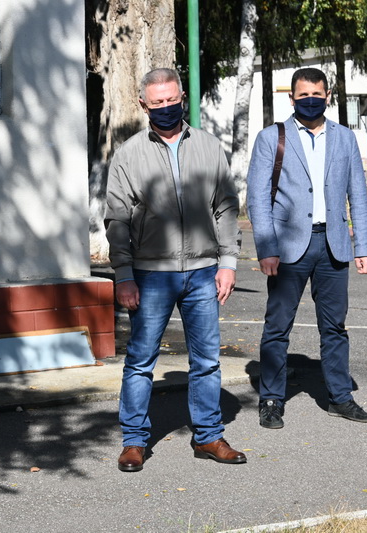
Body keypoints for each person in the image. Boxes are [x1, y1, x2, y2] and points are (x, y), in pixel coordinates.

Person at [105, 68, 246, 472]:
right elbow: (117, 219)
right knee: (140, 361)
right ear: (143, 104)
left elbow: (226, 207)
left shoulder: (208, 146)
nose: (166, 107)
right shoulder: (128, 154)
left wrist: (228, 263)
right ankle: (134, 441)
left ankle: (208, 436)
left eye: (171, 100)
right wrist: (124, 274)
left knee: (207, 360)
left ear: (182, 98)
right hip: (150, 275)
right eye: (158, 102)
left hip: (203, 271)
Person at [247, 67, 367, 430]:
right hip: (288, 247)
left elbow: (358, 195)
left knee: (335, 327)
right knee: (278, 326)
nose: (310, 100)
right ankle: (271, 399)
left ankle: (340, 398)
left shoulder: (345, 138)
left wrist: (364, 246)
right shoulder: (271, 138)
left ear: (328, 96)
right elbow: (257, 198)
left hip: (333, 245)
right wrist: (266, 248)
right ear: (292, 98)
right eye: (303, 95)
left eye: (317, 94)